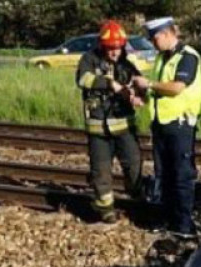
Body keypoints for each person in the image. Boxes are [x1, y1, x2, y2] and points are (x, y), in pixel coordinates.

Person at [133, 17, 201, 236]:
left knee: (181, 175)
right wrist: (145, 94)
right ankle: (166, 218)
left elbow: (176, 87)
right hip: (162, 124)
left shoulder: (187, 56)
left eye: (155, 38)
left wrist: (150, 84)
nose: (153, 43)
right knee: (163, 174)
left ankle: (183, 224)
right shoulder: (163, 58)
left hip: (180, 125)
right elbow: (161, 90)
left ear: (166, 34)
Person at [75, 19, 143, 223]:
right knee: (101, 171)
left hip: (124, 127)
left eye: (118, 48)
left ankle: (137, 200)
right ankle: (106, 210)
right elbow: (82, 79)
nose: (115, 52)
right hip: (98, 129)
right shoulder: (89, 60)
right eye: (111, 48)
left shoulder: (126, 64)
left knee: (134, 166)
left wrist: (138, 94)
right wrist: (109, 83)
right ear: (102, 46)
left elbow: (140, 83)